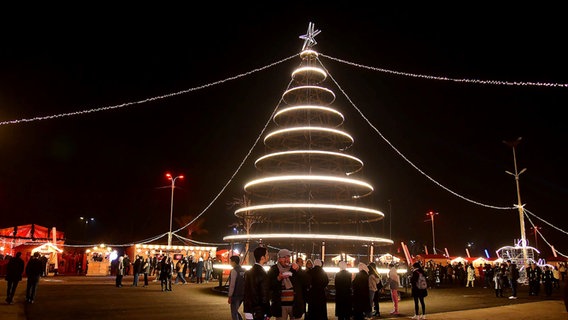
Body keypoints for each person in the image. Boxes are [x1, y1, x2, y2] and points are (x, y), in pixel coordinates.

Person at [268, 248, 305, 320]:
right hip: (280, 305)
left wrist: (298, 269)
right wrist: (278, 278)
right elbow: (269, 285)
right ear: (279, 259)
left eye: (288, 257)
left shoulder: (294, 268)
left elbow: (306, 281)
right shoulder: (274, 269)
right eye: (284, 257)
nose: (286, 259)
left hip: (295, 305)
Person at [244, 246, 271, 320]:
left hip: (248, 309)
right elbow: (264, 295)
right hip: (259, 311)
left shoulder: (249, 272)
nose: (268, 257)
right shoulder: (263, 274)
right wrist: (268, 312)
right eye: (267, 255)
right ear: (262, 258)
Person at [228, 255, 246, 320]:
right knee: (235, 310)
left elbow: (232, 285)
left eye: (230, 261)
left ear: (234, 262)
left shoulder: (234, 271)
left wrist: (230, 295)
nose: (230, 263)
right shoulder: (243, 270)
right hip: (243, 294)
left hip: (235, 295)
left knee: (234, 312)